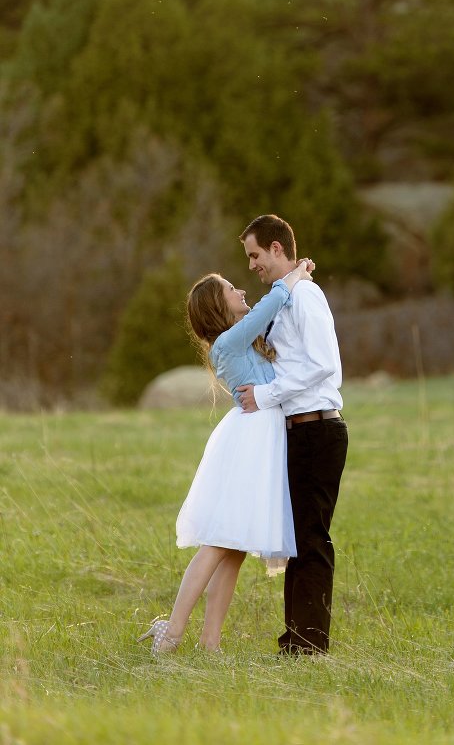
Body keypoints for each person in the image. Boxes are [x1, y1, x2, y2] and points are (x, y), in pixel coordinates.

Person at [138, 259, 313, 656]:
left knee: (234, 547)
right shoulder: (228, 341)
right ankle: (172, 630)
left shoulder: (242, 340)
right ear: (219, 306)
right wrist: (294, 276)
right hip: (250, 440)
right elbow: (270, 307)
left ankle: (210, 641)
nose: (242, 292)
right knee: (219, 541)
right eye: (233, 289)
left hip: (262, 437)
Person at [236, 214, 348, 656]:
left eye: (255, 255)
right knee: (297, 538)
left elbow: (323, 363)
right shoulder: (283, 298)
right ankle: (295, 640)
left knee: (311, 539)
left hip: (319, 429)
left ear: (277, 249)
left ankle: (309, 644)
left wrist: (266, 396)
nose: (251, 265)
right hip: (296, 432)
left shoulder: (307, 296)